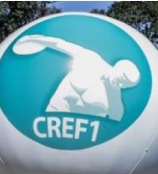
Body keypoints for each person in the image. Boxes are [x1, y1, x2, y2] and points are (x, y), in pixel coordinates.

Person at [11, 34, 141, 121]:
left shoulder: (114, 94)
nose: (121, 85)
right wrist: (38, 41)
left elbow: (117, 118)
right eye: (122, 79)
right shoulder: (91, 59)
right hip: (56, 114)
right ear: (117, 69)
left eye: (126, 86)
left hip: (86, 134)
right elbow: (61, 44)